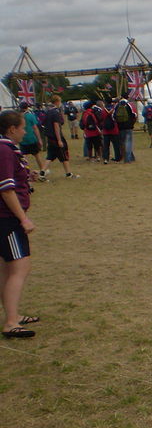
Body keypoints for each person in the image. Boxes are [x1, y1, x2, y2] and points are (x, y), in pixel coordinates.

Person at [0, 110, 38, 338]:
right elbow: (5, 189)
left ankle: (12, 314)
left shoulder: (8, 151)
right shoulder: (4, 150)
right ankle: (11, 321)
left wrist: (26, 174)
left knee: (8, 268)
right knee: (20, 267)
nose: (25, 131)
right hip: (8, 219)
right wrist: (22, 218)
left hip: (6, 218)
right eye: (23, 127)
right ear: (12, 129)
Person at [42, 96, 77, 178]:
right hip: (55, 137)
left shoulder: (48, 112)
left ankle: (42, 172)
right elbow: (56, 126)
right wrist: (59, 140)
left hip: (50, 137)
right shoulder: (55, 112)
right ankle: (68, 173)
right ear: (57, 102)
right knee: (63, 155)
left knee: (50, 156)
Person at [18, 103, 47, 180]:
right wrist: (39, 139)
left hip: (22, 138)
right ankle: (42, 171)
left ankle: (25, 173)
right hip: (31, 138)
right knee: (37, 155)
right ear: (27, 107)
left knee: (24, 157)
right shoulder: (30, 115)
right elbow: (35, 128)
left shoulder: (18, 116)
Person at [100, 98, 121, 165]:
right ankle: (117, 158)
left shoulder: (103, 110)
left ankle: (106, 159)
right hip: (114, 129)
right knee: (116, 145)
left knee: (106, 145)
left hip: (106, 130)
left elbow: (101, 119)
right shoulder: (114, 109)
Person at [115, 97, 136, 163]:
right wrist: (132, 123)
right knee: (128, 142)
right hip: (129, 126)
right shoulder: (129, 105)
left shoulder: (117, 106)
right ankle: (128, 158)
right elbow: (134, 115)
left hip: (120, 127)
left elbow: (114, 116)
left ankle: (126, 157)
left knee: (122, 142)